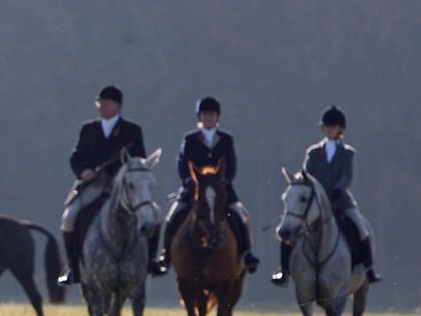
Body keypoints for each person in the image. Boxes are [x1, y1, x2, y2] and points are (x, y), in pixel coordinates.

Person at [271, 106, 381, 286]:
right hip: (315, 205)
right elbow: (307, 174)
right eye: (326, 126)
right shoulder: (313, 152)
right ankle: (283, 272)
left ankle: (369, 270)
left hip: (340, 201)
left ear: (340, 129)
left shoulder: (347, 153)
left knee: (362, 229)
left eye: (333, 126)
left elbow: (347, 176)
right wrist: (298, 183)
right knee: (288, 229)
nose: (328, 129)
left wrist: (338, 189)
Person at [59, 85, 156, 285]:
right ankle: (73, 267)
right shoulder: (88, 129)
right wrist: (84, 172)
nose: (101, 106)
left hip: (124, 190)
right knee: (69, 218)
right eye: (99, 102)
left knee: (155, 215)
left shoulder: (132, 130)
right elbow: (76, 157)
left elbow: (140, 161)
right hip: (94, 185)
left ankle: (151, 262)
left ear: (117, 105)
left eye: (106, 103)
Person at [152, 96, 260, 275]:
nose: (208, 117)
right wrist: (188, 180)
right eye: (205, 114)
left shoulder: (226, 139)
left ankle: (247, 253)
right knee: (172, 217)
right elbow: (182, 162)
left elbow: (231, 165)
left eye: (211, 114)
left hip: (221, 190)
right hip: (194, 189)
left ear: (217, 117)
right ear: (199, 117)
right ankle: (165, 255)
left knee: (241, 216)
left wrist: (222, 182)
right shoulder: (190, 138)